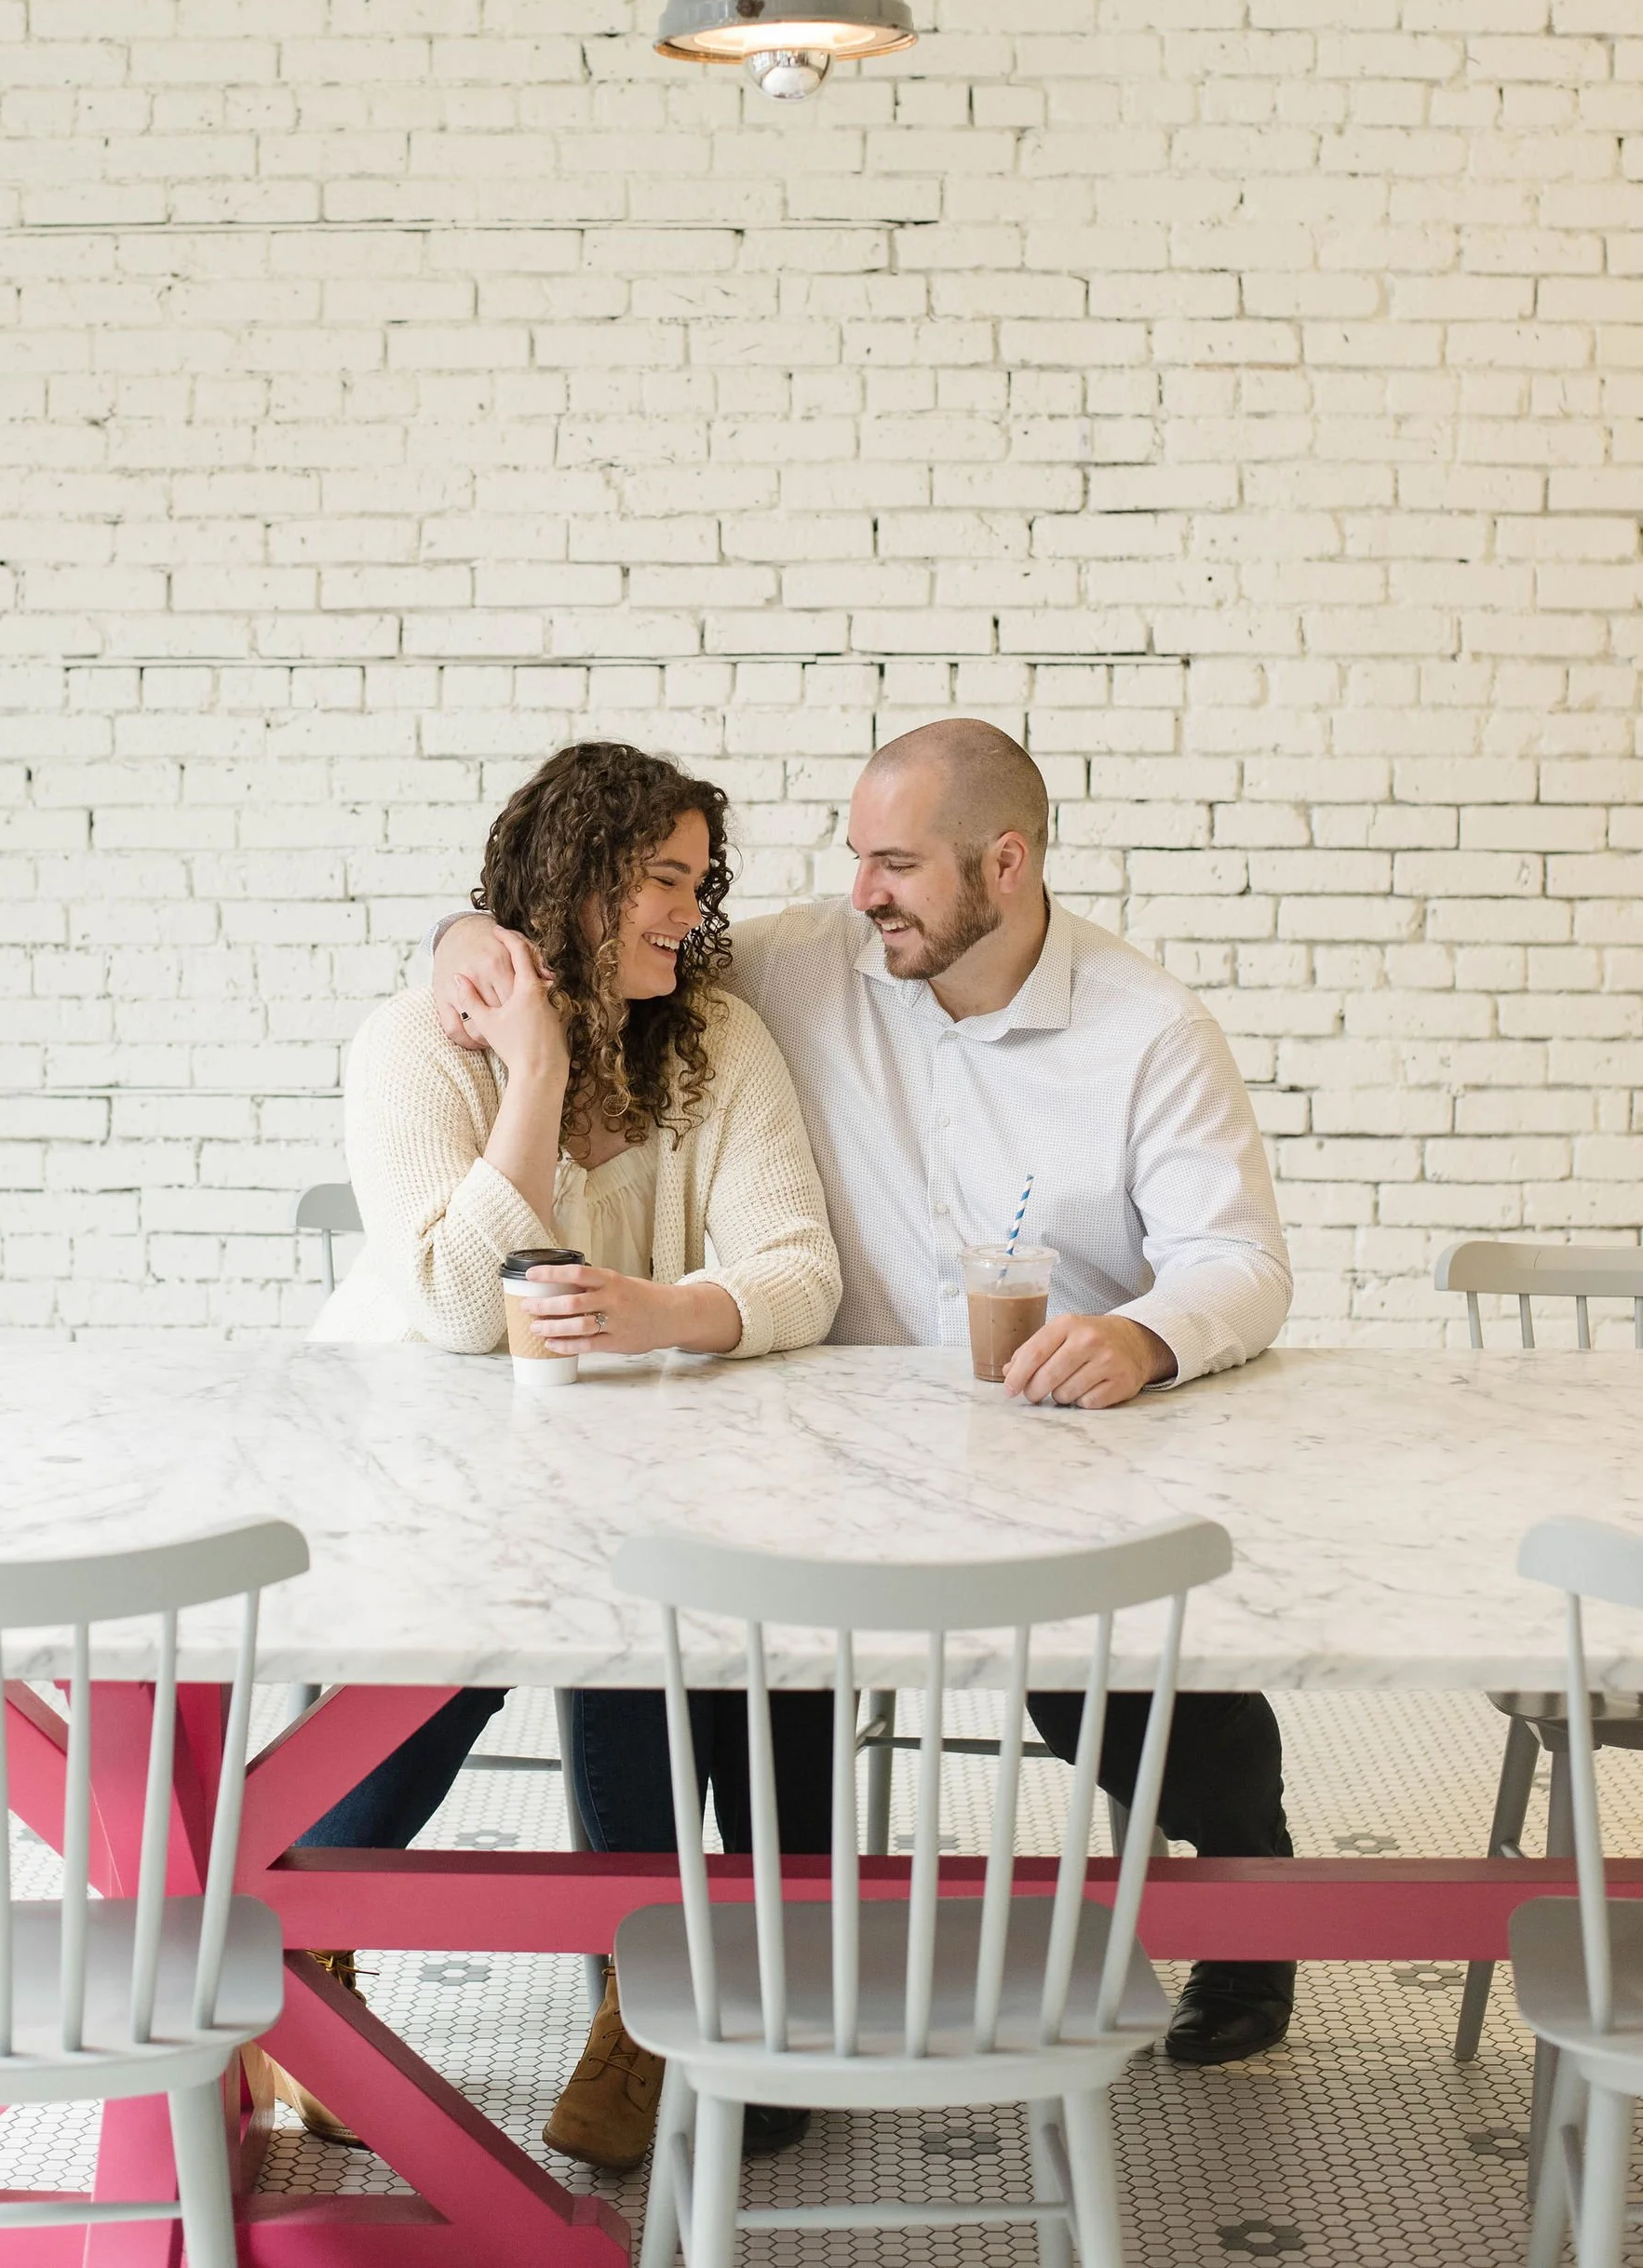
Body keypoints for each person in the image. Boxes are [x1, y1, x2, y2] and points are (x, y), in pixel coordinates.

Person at [433, 718, 1300, 2070]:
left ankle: (1254, 1909)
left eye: (895, 864)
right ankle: (689, 1975)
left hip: (1058, 1436)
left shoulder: (1149, 1032)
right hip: (815, 1442)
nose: (860, 893)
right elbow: (608, 942)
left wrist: (1143, 1335)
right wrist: (460, 940)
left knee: (1109, 1688)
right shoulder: (806, 964)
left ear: (1004, 865)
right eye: (855, 856)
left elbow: (1240, 1259)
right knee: (706, 1653)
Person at [303, 740, 842, 2169]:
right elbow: (449, 1311)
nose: (689, 909)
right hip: (418, 1472)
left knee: (639, 1625)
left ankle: (630, 1992)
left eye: (696, 881)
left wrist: (666, 1308)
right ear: (583, 886)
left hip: (627, 1469)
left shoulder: (716, 1042)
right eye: (661, 880)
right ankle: (307, 1939)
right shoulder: (413, 1048)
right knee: (456, 1655)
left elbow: (800, 1268)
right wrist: (535, 1068)